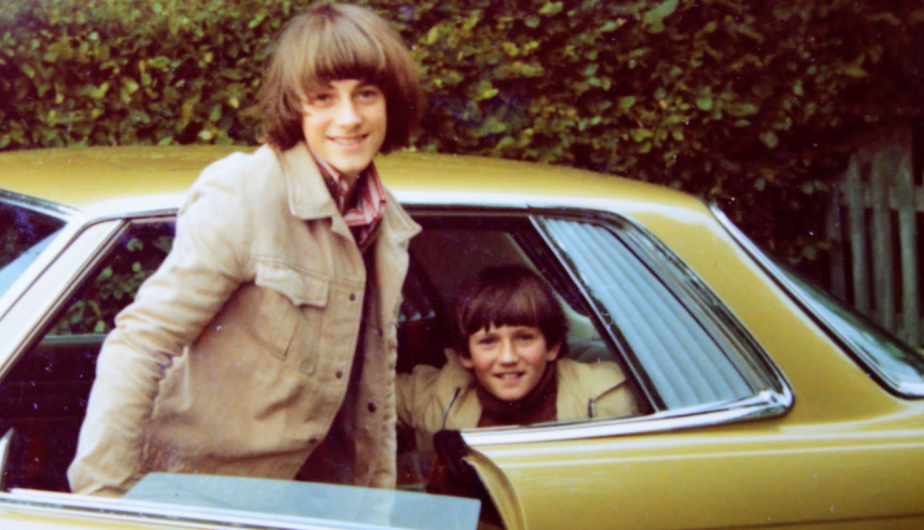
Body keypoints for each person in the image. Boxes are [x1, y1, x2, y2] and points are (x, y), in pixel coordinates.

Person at [68, 2, 424, 496]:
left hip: (317, 497)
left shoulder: (386, 220)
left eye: (365, 93)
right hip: (199, 495)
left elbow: (374, 388)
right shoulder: (244, 191)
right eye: (323, 97)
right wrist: (105, 500)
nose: (348, 118)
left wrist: (379, 501)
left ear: (392, 100)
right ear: (294, 106)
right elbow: (141, 343)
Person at [396, 264, 641, 479]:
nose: (508, 358)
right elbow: (368, 397)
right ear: (465, 355)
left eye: (524, 338)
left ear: (552, 346)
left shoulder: (610, 398)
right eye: (488, 342)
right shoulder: (434, 395)